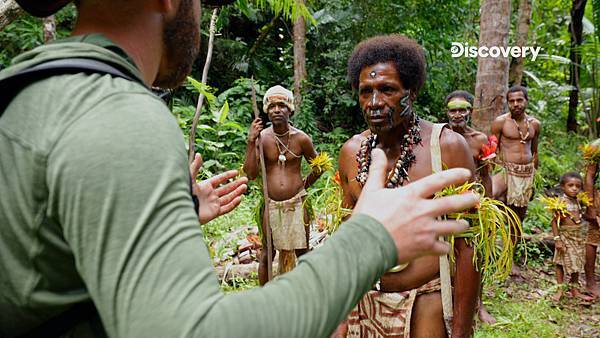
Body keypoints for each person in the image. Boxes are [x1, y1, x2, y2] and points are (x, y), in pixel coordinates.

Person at [0, 1, 479, 337]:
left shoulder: (23, 99)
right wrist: (369, 242)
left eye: (388, 90)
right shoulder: (118, 116)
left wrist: (176, 212)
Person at [337, 35, 479, 338]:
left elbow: (469, 246)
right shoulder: (352, 152)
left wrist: (462, 328)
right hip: (363, 301)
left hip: (425, 300)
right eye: (366, 92)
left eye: (387, 90)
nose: (374, 103)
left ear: (411, 92)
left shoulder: (447, 147)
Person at [243, 85, 322, 285]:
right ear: (267, 111)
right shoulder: (262, 138)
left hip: (297, 202)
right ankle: (265, 298)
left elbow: (319, 166)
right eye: (272, 106)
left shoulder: (301, 139)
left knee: (303, 251)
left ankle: (310, 294)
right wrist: (251, 141)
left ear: (290, 109)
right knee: (267, 252)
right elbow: (251, 173)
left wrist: (303, 185)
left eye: (281, 105)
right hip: (271, 204)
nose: (276, 110)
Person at [445, 90, 497, 324]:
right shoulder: (439, 136)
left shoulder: (479, 140)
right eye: (452, 110)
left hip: (473, 205)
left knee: (476, 255)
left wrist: (489, 205)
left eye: (462, 109)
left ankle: (478, 304)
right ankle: (448, 302)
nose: (457, 114)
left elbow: (486, 175)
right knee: (443, 255)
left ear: (470, 112)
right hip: (443, 204)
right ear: (446, 112)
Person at [491, 85, 541, 278]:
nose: (515, 104)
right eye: (511, 101)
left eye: (519, 100)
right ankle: (487, 253)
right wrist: (493, 171)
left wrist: (534, 178)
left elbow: (535, 151)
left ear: (526, 101)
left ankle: (508, 260)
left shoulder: (535, 124)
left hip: (526, 174)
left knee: (517, 219)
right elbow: (492, 149)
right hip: (505, 171)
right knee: (491, 200)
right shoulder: (500, 122)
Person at [550, 172, 594, 302]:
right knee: (560, 262)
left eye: (577, 186)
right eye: (571, 185)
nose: (574, 188)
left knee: (577, 263)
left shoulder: (579, 201)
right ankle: (560, 289)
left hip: (578, 237)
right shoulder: (560, 202)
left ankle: (574, 289)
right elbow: (554, 222)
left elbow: (581, 217)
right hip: (565, 236)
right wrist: (557, 240)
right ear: (563, 187)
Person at [584, 163, 600, 298]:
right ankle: (590, 281)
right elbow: (589, 174)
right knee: (593, 237)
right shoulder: (596, 147)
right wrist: (590, 205)